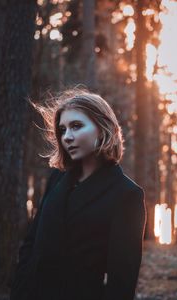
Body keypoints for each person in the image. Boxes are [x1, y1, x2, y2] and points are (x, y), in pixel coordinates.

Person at [10, 87, 147, 300]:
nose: (67, 137)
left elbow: (122, 281)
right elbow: (32, 241)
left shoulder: (127, 195)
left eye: (76, 126)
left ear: (102, 129)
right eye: (63, 130)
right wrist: (20, 287)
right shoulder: (57, 178)